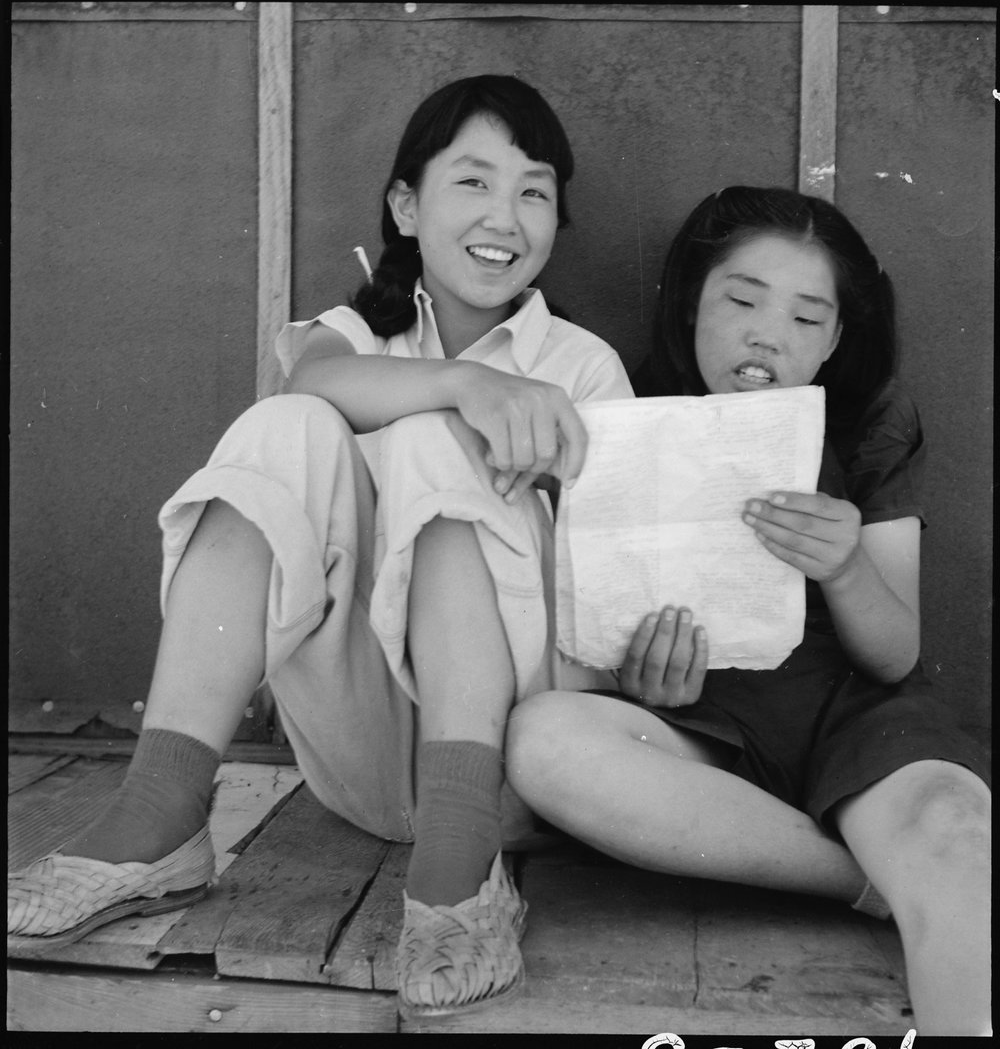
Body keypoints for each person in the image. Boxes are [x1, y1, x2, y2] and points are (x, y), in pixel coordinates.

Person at [7, 75, 633, 1018]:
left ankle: (463, 866)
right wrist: (464, 384)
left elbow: (615, 589)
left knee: (429, 438)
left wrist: (468, 414)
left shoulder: (582, 367)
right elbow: (318, 380)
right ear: (406, 206)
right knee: (287, 423)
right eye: (472, 182)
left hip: (513, 774)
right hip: (360, 766)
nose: (506, 215)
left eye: (534, 191)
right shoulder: (352, 332)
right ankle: (163, 807)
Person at [506, 186, 991, 1035]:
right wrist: (642, 678)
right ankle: (860, 880)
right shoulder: (624, 412)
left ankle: (910, 876)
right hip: (706, 735)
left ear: (838, 338)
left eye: (809, 319)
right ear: (692, 300)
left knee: (952, 830)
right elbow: (596, 630)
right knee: (545, 739)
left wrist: (844, 569)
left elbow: (893, 655)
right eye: (742, 301)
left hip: (855, 721)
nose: (769, 334)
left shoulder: (869, 419)